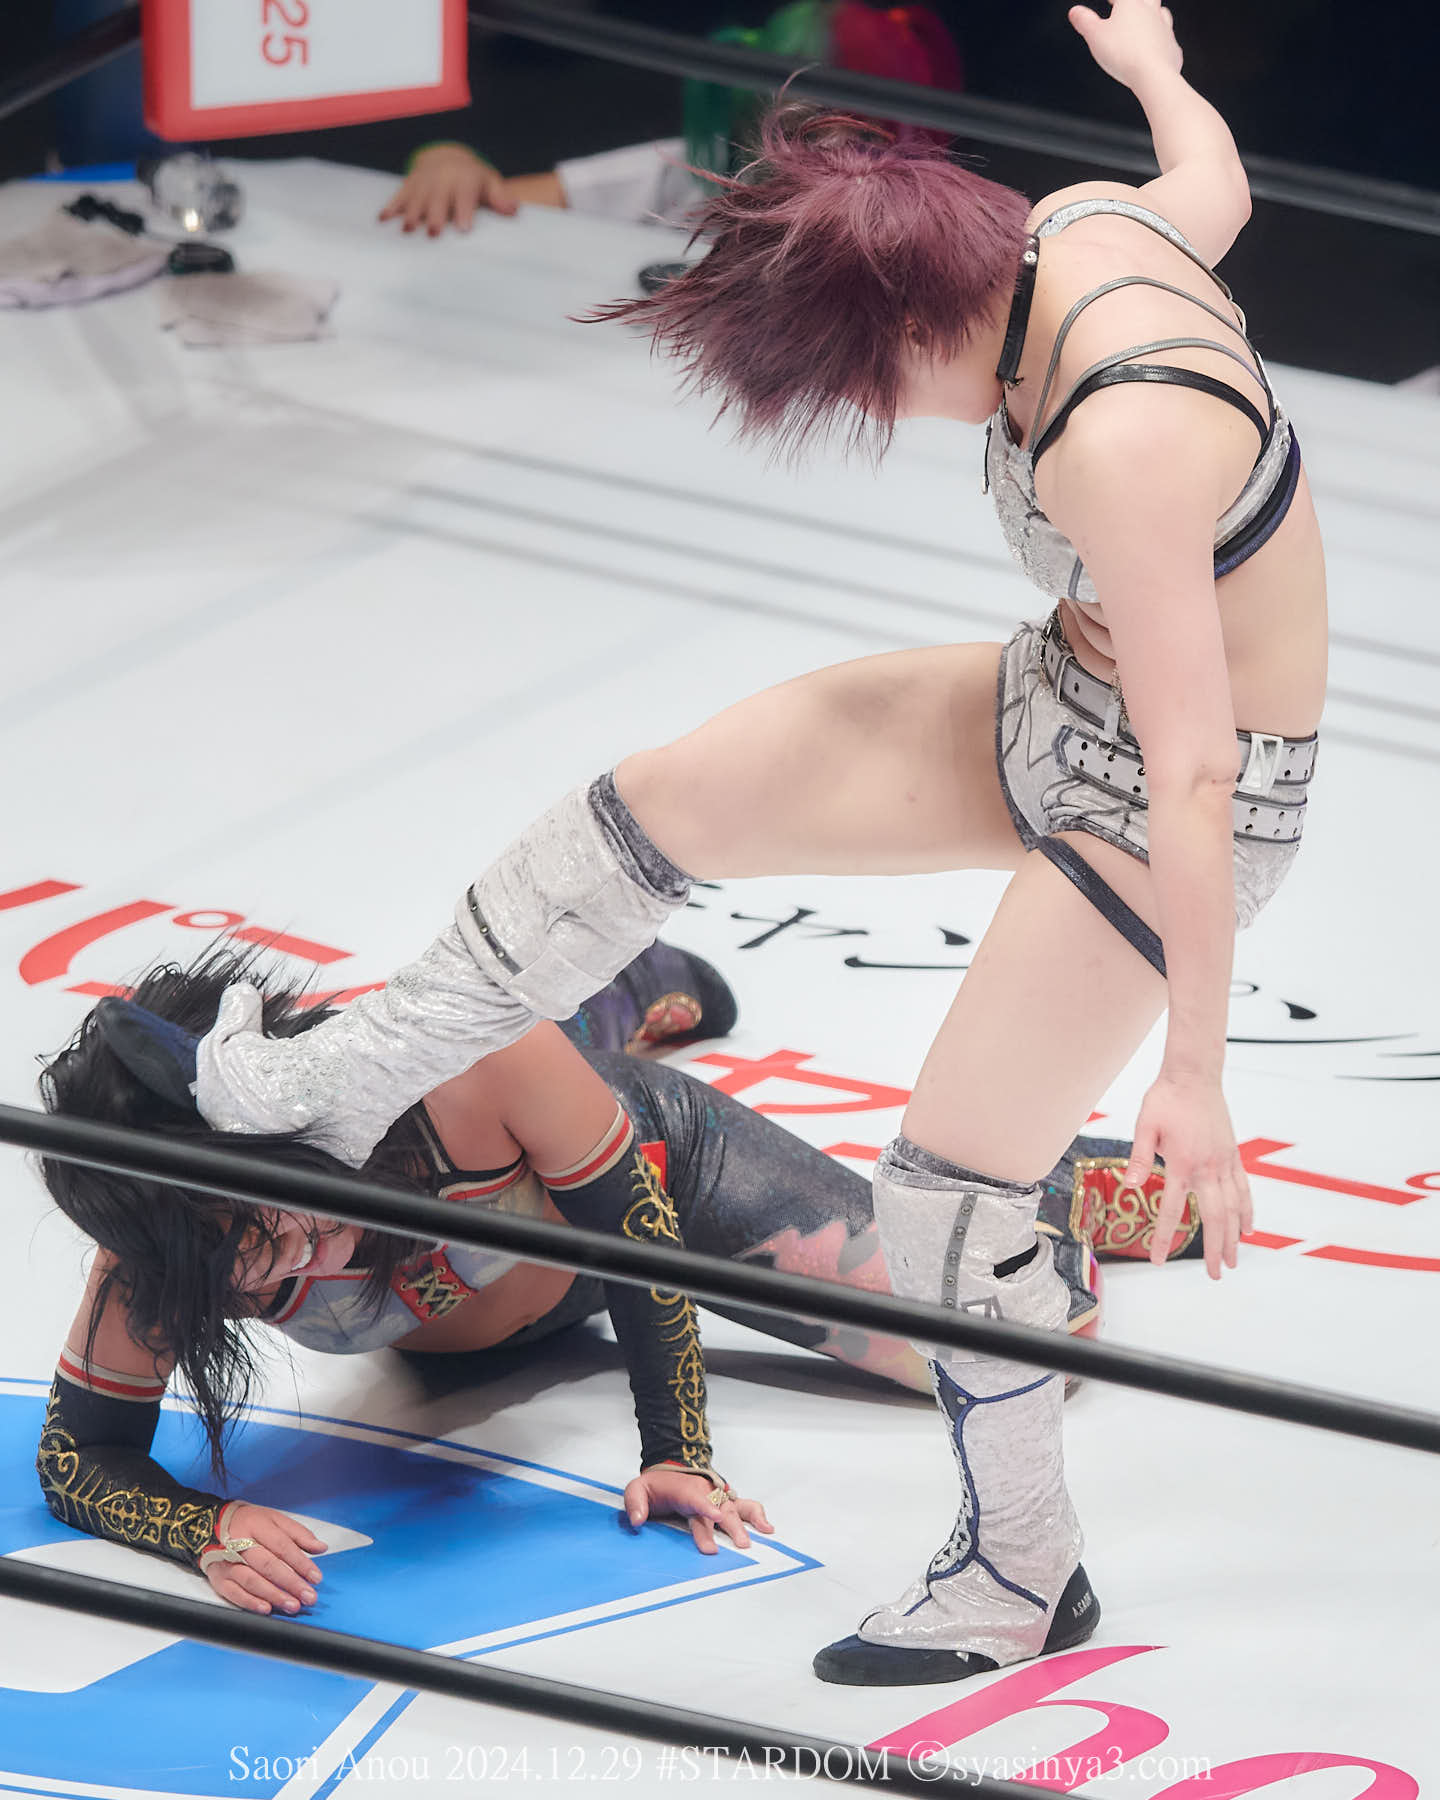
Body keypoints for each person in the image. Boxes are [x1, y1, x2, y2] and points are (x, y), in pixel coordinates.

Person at [148, 0, 1320, 1685]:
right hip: (1058, 699)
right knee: (657, 802)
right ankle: (354, 1073)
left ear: (913, 318)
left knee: (947, 1192)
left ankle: (1019, 1567)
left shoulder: (1125, 438)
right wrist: (1156, 73)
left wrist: (1194, 1071)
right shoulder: (1077, 230)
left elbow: (1196, 767)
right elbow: (1215, 184)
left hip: (1173, 799)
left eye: (861, 377)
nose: (878, 410)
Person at [35, 940, 1170, 1620]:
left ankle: (1041, 1188)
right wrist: (207, 1525)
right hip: (496, 1307)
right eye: (246, 1267)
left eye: (279, 1223)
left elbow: (639, 1246)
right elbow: (77, 1455)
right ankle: (612, 997)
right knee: (547, 1061)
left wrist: (677, 1453)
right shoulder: (168, 1248)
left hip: (657, 1190)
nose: (294, 1261)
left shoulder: (468, 1065)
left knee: (1027, 1340)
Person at [378, 1, 963, 238]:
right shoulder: (695, 177)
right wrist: (449, 162)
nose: (834, 172)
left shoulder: (934, 234)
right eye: (802, 136)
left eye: (860, 144)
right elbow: (501, 202)